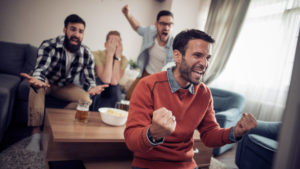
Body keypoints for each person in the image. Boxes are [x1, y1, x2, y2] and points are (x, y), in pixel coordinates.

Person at [124, 29, 258, 169]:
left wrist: (234, 132)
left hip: (186, 165)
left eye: (207, 58)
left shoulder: (204, 93)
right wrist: (153, 133)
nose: (204, 64)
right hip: (149, 164)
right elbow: (131, 140)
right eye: (198, 55)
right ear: (177, 56)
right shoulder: (148, 85)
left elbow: (209, 134)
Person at [20, 14, 108, 152]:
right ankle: (36, 134)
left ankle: (51, 125)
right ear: (65, 30)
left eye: (80, 31)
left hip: (65, 86)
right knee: (35, 87)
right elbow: (41, 68)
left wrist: (92, 87)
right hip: (46, 82)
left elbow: (89, 78)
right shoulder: (49, 45)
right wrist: (38, 80)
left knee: (86, 99)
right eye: (73, 29)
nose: (76, 34)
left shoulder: (86, 53)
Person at [122, 4, 175, 100]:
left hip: (162, 80)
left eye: (170, 24)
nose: (166, 28)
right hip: (146, 74)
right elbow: (137, 27)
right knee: (129, 97)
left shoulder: (175, 44)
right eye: (163, 24)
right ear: (156, 24)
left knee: (152, 104)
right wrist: (127, 14)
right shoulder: (150, 32)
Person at [91, 31, 128, 110]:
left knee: (116, 87)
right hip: (98, 83)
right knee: (99, 85)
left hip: (113, 87)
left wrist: (117, 57)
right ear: (105, 44)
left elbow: (114, 81)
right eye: (112, 42)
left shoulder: (123, 59)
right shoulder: (97, 54)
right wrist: (110, 54)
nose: (115, 45)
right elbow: (105, 79)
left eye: (117, 42)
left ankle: (114, 116)